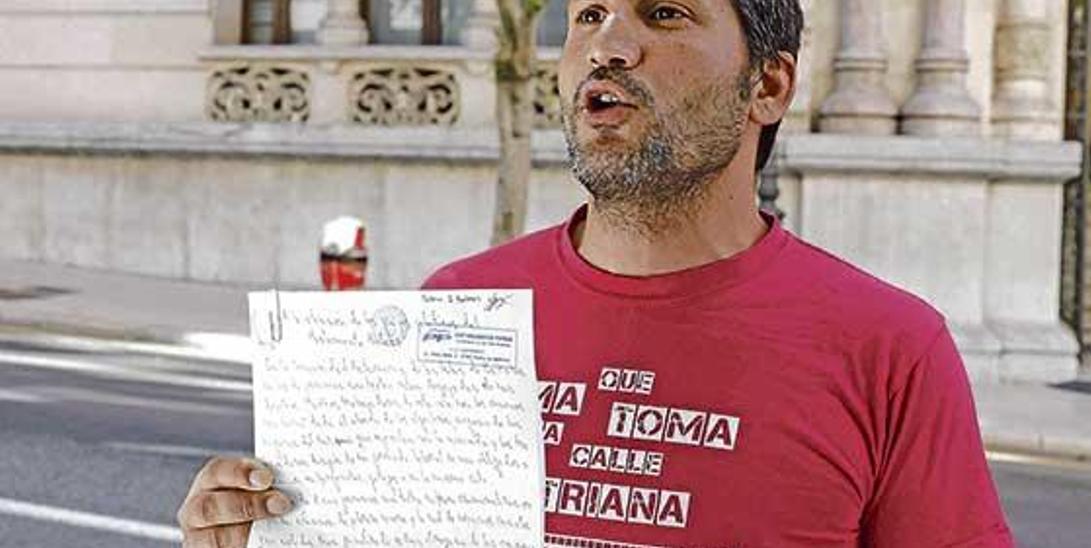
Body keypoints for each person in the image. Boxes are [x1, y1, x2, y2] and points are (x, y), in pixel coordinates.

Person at [178, 0, 1015, 546]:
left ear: (767, 84)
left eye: (663, 14)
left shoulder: (890, 350)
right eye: (587, 15)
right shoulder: (456, 307)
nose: (607, 47)